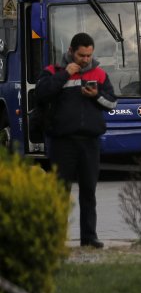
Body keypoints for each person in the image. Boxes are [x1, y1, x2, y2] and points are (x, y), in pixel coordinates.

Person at [36, 32, 117, 248]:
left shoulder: (99, 74)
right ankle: (57, 238)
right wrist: (65, 75)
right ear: (71, 52)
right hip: (63, 142)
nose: (86, 60)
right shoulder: (54, 71)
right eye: (81, 55)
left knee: (88, 192)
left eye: (89, 55)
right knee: (61, 192)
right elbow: (41, 94)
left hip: (89, 142)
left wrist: (96, 96)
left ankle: (89, 238)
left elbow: (112, 104)